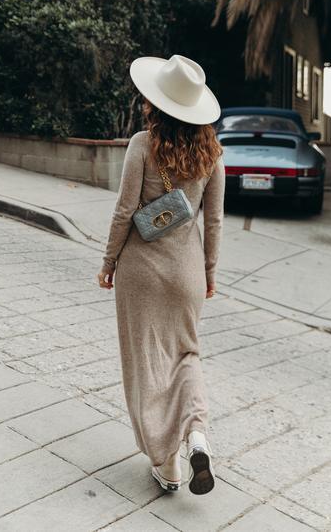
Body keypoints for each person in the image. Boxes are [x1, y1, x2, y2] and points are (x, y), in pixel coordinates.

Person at [97, 54, 225, 495]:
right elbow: (214, 223)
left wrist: (108, 261)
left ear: (156, 102)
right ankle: (198, 436)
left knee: (146, 364)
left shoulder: (141, 145)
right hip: (187, 274)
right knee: (187, 356)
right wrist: (208, 274)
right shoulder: (212, 156)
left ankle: (167, 463)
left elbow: (124, 212)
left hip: (141, 272)